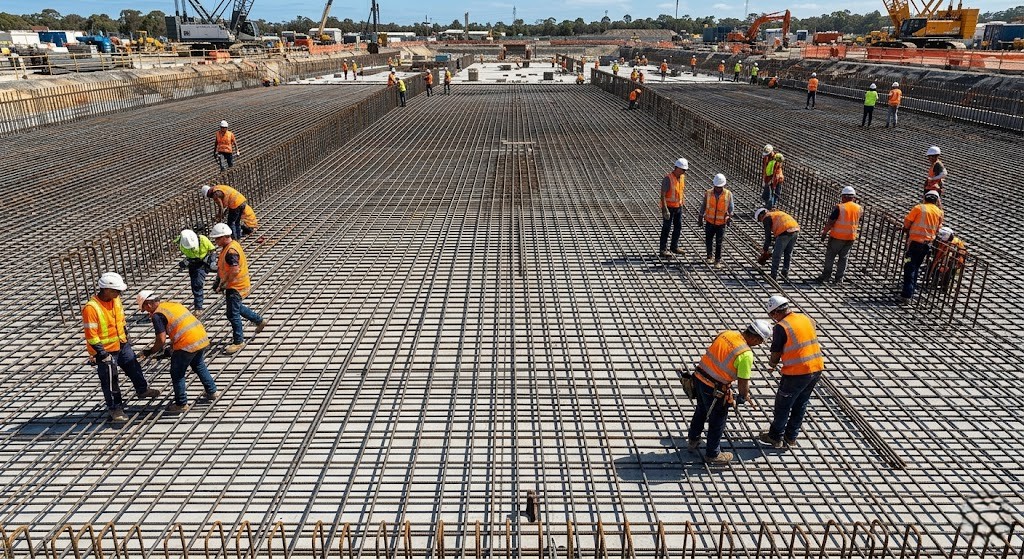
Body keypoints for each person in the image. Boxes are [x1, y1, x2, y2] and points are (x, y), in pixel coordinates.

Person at [688, 320, 773, 464]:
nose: (759, 344)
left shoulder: (726, 333)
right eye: (760, 341)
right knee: (718, 420)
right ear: (755, 338)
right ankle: (713, 454)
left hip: (698, 377)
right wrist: (743, 395)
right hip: (715, 389)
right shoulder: (745, 354)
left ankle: (693, 439)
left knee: (701, 409)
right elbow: (743, 382)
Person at [82, 272, 161, 422]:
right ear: (105, 289)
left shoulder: (116, 299)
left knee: (134, 367)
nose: (119, 293)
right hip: (105, 350)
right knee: (111, 380)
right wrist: (102, 354)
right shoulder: (91, 308)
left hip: (122, 344)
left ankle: (142, 390)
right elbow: (91, 335)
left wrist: (126, 338)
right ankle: (115, 409)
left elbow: (121, 320)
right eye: (116, 290)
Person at [758, 295, 825, 448]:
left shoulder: (781, 327)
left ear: (775, 313)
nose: (773, 319)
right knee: (801, 403)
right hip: (816, 368)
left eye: (771, 315)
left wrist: (772, 364)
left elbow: (776, 351)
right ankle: (791, 437)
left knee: (783, 405)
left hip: (797, 373)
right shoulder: (805, 318)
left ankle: (775, 437)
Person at [136, 291, 218, 413]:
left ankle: (181, 403)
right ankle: (212, 391)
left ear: (148, 304)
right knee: (198, 364)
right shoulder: (172, 305)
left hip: (187, 344)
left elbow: (161, 339)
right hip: (201, 337)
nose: (147, 312)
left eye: (145, 309)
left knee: (177, 373)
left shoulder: (157, 315)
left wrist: (151, 351)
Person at [209, 223, 269, 354]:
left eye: (217, 238)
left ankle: (239, 341)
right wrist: (217, 281)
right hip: (234, 285)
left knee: (232, 314)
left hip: (236, 286)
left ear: (225, 236)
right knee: (237, 308)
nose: (216, 241)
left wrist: (223, 283)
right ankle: (259, 321)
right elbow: (223, 267)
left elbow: (234, 271)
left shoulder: (231, 251)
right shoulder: (229, 246)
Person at [901, 191, 944, 302]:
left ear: (924, 198)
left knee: (909, 265)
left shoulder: (919, 208)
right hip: (927, 245)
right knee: (916, 266)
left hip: (914, 244)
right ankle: (912, 290)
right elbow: (939, 228)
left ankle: (907, 294)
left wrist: (907, 229)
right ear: (936, 200)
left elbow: (907, 222)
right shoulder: (939, 212)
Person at [817, 186, 862, 284]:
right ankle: (839, 278)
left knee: (830, 256)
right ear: (853, 197)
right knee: (844, 258)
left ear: (844, 197)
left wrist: (824, 232)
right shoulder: (859, 208)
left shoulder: (840, 207)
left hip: (837, 237)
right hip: (850, 237)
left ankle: (826, 276)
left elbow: (831, 222)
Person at [175, 229, 216, 311]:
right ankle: (198, 307)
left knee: (197, 284)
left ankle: (198, 307)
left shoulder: (203, 239)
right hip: (193, 263)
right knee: (195, 284)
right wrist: (186, 262)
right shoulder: (180, 242)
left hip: (204, 262)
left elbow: (212, 250)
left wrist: (212, 260)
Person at [755, 207, 800, 280]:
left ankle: (774, 275)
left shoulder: (766, 218)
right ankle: (785, 271)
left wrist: (765, 250)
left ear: (760, 216)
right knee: (788, 252)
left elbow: (768, 237)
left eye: (759, 220)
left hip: (785, 232)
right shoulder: (776, 213)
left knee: (776, 255)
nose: (761, 221)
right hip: (796, 229)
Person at [701, 173, 733, 267]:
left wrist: (729, 216)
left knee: (719, 242)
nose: (718, 188)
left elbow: (731, 208)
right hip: (709, 221)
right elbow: (703, 205)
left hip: (721, 223)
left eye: (720, 187)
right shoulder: (708, 193)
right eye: (717, 186)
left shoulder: (728, 194)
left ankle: (717, 260)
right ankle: (709, 256)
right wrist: (700, 215)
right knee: (708, 240)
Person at [659, 158, 688, 258]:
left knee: (678, 227)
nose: (684, 172)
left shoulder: (682, 177)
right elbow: (662, 195)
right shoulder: (668, 178)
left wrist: (682, 205)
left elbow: (681, 192)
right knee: (666, 228)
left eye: (685, 170)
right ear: (676, 168)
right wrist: (664, 209)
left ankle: (674, 247)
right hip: (669, 208)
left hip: (678, 208)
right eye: (682, 170)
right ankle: (663, 250)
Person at [928, 227, 967, 291]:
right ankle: (937, 282)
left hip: (953, 262)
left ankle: (944, 285)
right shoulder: (945, 241)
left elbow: (961, 253)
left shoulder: (954, 243)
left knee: (947, 271)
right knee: (939, 269)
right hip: (946, 260)